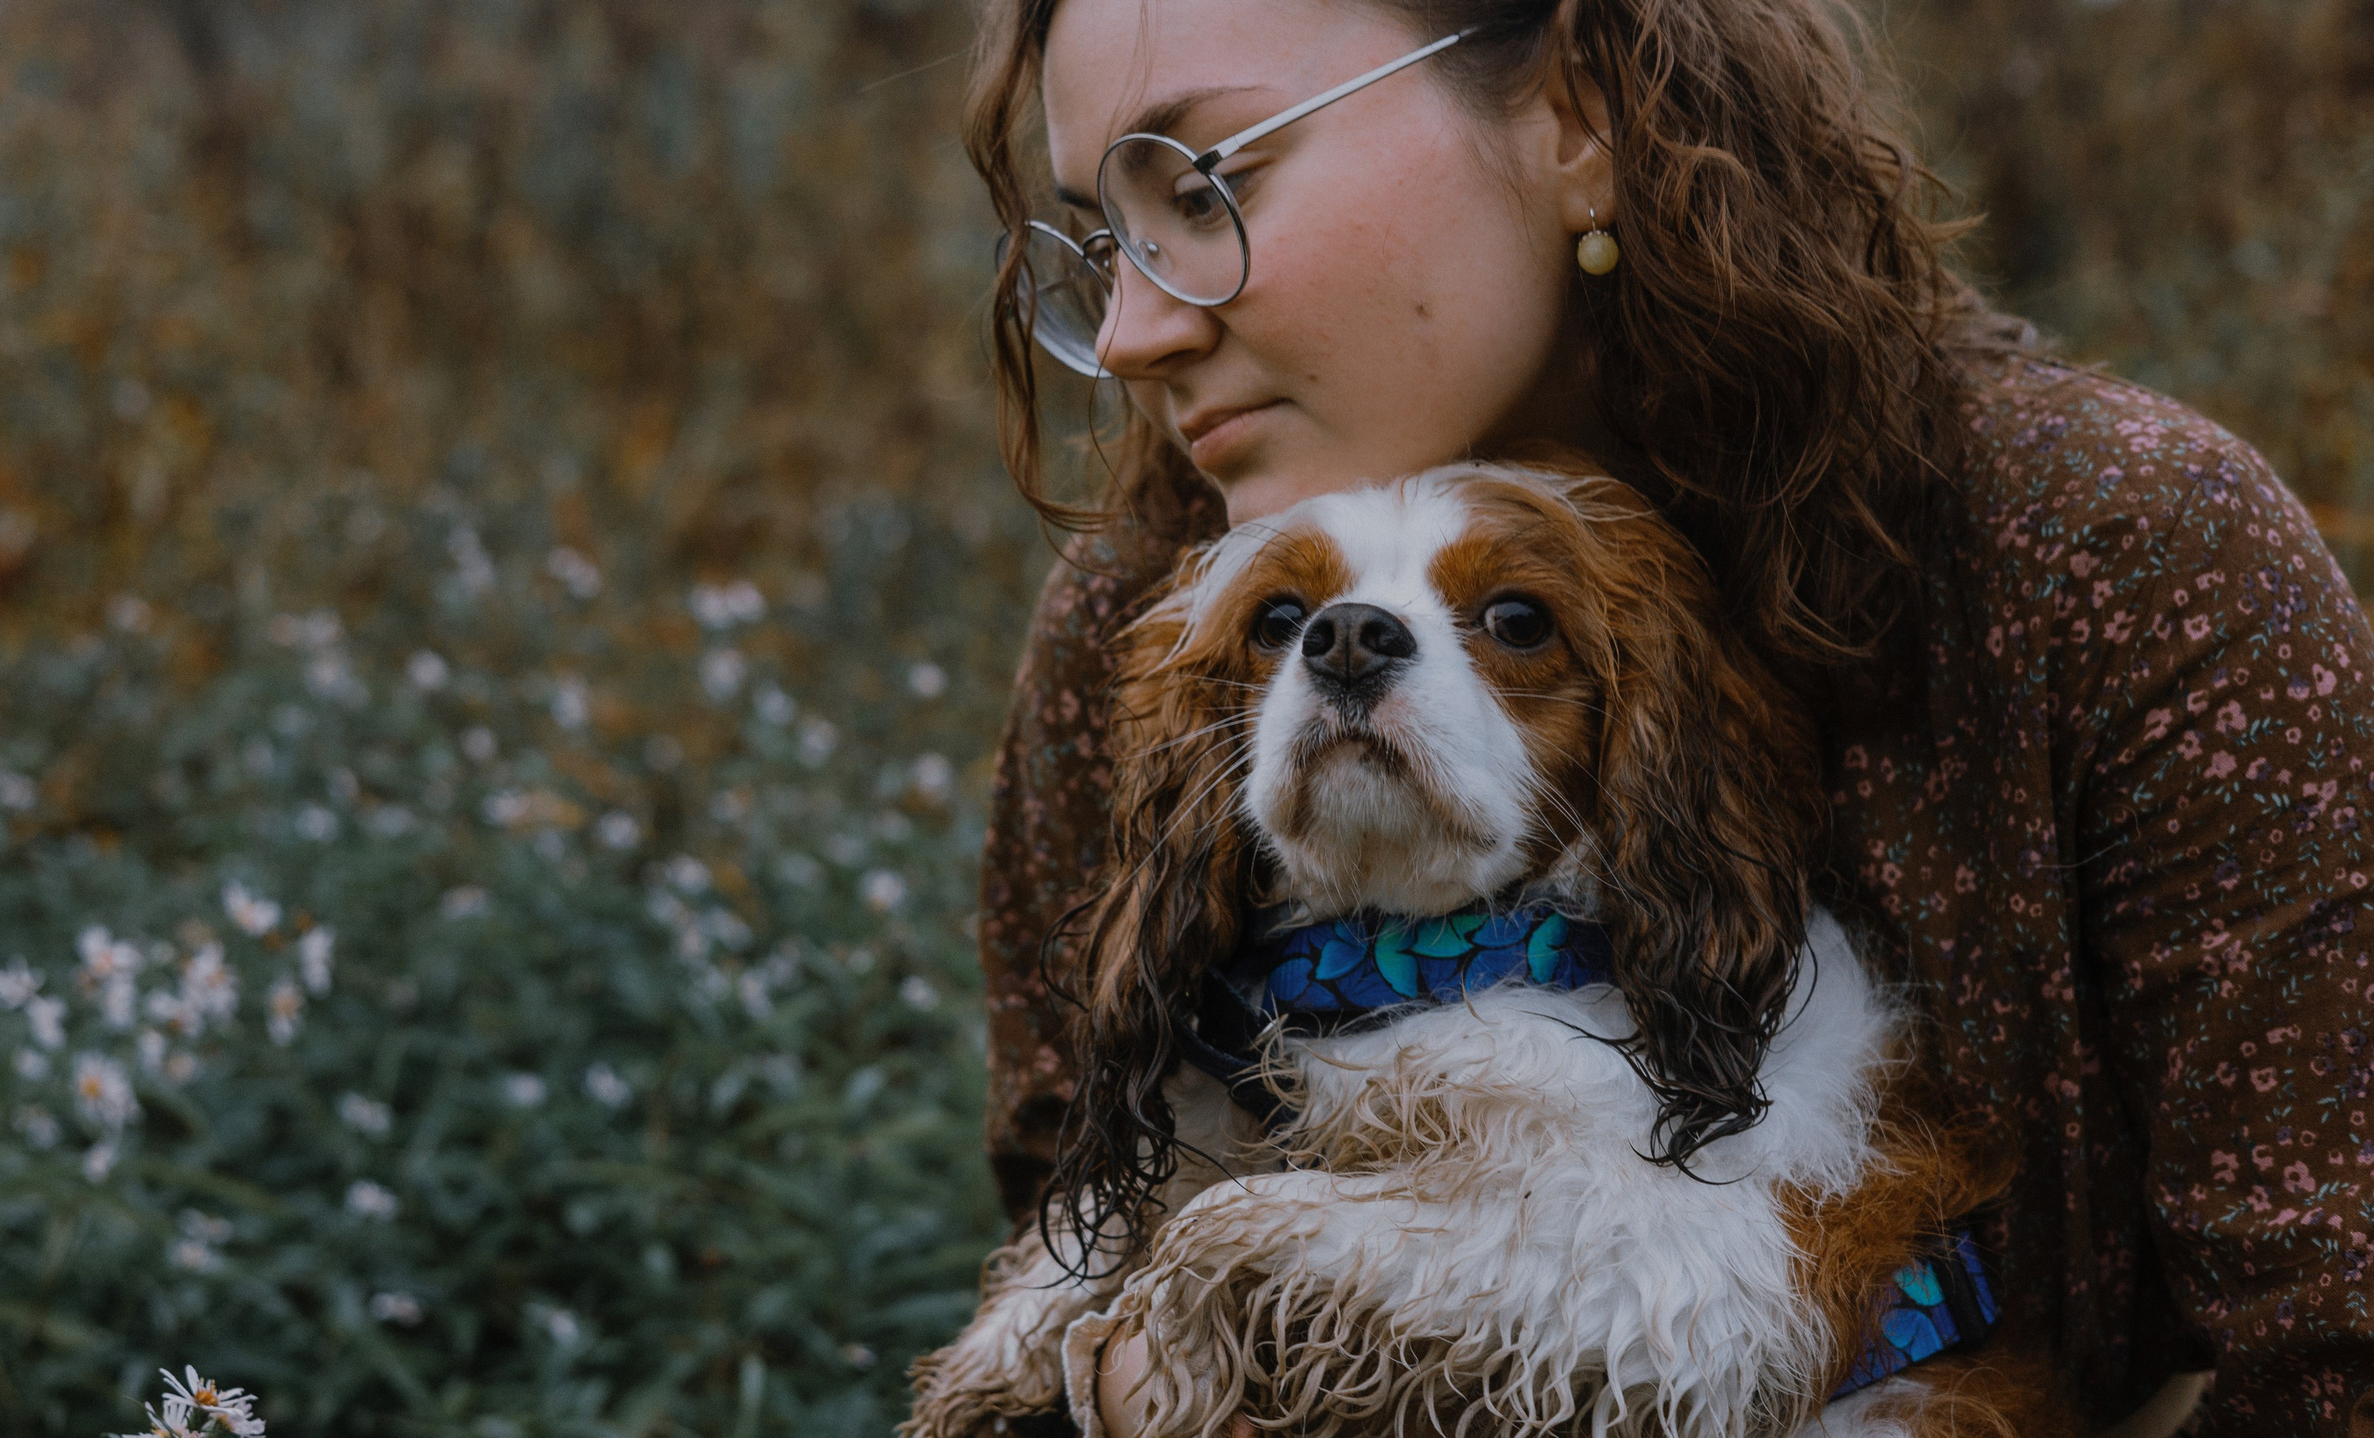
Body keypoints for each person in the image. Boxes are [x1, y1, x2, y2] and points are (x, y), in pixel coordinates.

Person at [959, 0, 2374, 1434]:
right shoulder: (1162, 603)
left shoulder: (2113, 558)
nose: (1134, 331)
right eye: (1103, 240)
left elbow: (2339, 1350)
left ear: (1573, 115)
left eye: (1206, 188)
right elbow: (1068, 1188)